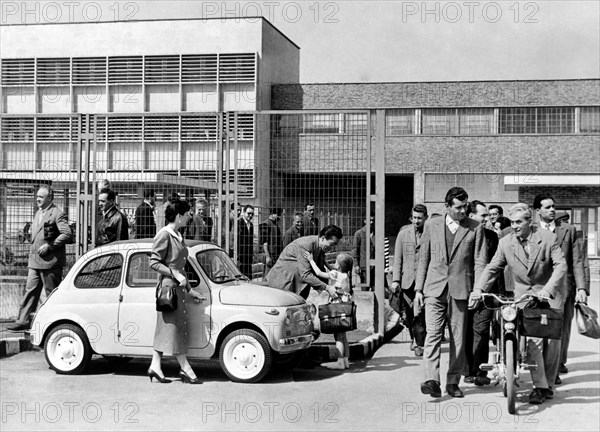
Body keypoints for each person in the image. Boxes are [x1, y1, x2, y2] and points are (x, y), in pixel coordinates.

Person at [472, 203, 567, 404]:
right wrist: (479, 289)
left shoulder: (547, 238)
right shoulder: (506, 242)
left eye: (519, 222)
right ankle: (539, 387)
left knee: (552, 345)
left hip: (547, 294)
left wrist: (546, 290)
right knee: (533, 341)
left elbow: (560, 266)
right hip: (523, 297)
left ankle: (547, 384)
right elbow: (493, 267)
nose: (514, 226)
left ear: (529, 221)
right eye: (512, 222)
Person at [415, 187, 487, 399]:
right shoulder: (432, 224)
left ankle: (453, 382)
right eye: (458, 207)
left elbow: (480, 261)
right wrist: (419, 289)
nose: (463, 211)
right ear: (447, 207)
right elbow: (424, 259)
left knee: (457, 339)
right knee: (433, 335)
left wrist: (477, 290)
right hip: (434, 290)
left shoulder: (475, 228)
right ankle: (431, 380)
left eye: (465, 206)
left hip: (461, 291)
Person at [148, 200, 205, 384]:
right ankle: (185, 368)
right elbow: (154, 262)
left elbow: (181, 268)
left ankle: (155, 366)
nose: (190, 216)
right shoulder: (164, 235)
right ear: (179, 216)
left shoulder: (178, 235)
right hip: (168, 289)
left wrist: (190, 290)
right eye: (188, 213)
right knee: (173, 329)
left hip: (177, 288)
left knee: (169, 329)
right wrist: (173, 273)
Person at [533, 194, 586, 384]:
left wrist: (581, 288)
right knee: (538, 332)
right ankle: (540, 376)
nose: (552, 210)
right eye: (547, 207)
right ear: (537, 211)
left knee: (557, 333)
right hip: (537, 288)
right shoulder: (531, 230)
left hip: (562, 289)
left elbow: (577, 261)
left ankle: (552, 374)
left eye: (553, 206)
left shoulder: (568, 230)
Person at [8, 186, 72, 332]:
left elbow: (67, 234)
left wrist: (50, 246)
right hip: (35, 261)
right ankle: (23, 320)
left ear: (50, 198)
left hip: (50, 263)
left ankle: (55, 323)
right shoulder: (38, 213)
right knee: (30, 290)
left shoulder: (57, 213)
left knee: (52, 293)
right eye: (37, 196)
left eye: (41, 197)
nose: (37, 199)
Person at [464, 200, 502, 386]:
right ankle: (466, 369)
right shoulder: (463, 235)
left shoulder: (493, 237)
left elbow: (497, 267)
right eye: (483, 216)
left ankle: (480, 371)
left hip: (486, 292)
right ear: (471, 216)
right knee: (464, 330)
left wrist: (500, 294)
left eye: (488, 215)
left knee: (481, 329)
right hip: (463, 290)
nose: (488, 219)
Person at [304, 250, 354, 370]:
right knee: (343, 336)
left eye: (336, 262)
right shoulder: (346, 275)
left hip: (336, 309)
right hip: (345, 309)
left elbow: (319, 273)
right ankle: (346, 361)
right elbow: (334, 269)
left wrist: (311, 260)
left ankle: (340, 361)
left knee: (338, 336)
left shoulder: (335, 274)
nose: (334, 264)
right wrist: (326, 262)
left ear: (338, 265)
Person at [266, 225, 343, 300]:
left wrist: (332, 288)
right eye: (332, 244)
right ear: (323, 238)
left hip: (298, 284)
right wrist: (327, 288)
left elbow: (320, 269)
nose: (332, 248)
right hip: (283, 284)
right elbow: (306, 274)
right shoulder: (306, 245)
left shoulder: (321, 247)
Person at [391, 204, 428, 357]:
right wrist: (396, 280)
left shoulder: (431, 234)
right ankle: (414, 338)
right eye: (414, 218)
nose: (416, 221)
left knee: (421, 314)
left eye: (420, 218)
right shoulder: (403, 234)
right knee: (410, 315)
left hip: (426, 282)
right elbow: (398, 259)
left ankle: (420, 344)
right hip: (407, 281)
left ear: (425, 217)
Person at [258, 208, 283, 277]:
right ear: (272, 214)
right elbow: (264, 242)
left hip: (276, 256)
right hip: (270, 256)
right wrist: (267, 256)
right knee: (267, 277)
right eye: (278, 215)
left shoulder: (275, 225)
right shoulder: (265, 224)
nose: (280, 217)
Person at [237, 204, 255, 278]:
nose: (250, 215)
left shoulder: (251, 225)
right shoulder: (238, 223)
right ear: (244, 213)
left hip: (248, 257)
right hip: (241, 257)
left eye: (252, 214)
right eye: (248, 213)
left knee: (248, 277)